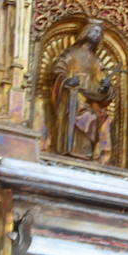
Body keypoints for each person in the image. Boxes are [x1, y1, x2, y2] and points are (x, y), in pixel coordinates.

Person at [48, 18, 116, 162]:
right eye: (94, 30)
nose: (96, 34)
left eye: (99, 32)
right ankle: (67, 149)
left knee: (91, 117)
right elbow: (58, 70)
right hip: (71, 95)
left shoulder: (97, 61)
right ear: (86, 32)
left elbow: (102, 85)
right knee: (77, 113)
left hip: (90, 99)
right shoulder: (71, 53)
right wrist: (66, 80)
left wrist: (106, 87)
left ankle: (85, 152)